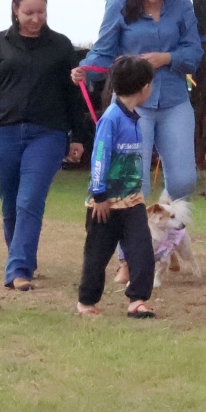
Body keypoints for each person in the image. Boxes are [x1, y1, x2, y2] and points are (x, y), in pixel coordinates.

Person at [72, 0, 204, 284]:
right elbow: (104, 50)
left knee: (184, 179)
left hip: (173, 99)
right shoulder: (118, 5)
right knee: (134, 183)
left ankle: (166, 237)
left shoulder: (181, 5)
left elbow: (194, 53)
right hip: (134, 105)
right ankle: (127, 260)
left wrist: (166, 58)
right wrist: (85, 69)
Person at [0, 0, 90, 291]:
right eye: (29, 12)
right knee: (10, 203)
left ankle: (18, 270)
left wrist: (78, 136)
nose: (36, 19)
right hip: (4, 133)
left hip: (48, 135)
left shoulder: (61, 46)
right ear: (15, 9)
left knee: (29, 200)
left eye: (41, 12)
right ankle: (21, 259)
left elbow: (74, 95)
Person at [77, 56, 157, 319]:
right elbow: (99, 156)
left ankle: (137, 300)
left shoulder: (134, 118)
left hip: (132, 202)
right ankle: (86, 302)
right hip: (105, 204)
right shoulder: (111, 118)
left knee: (142, 251)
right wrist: (99, 195)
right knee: (97, 255)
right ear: (144, 87)